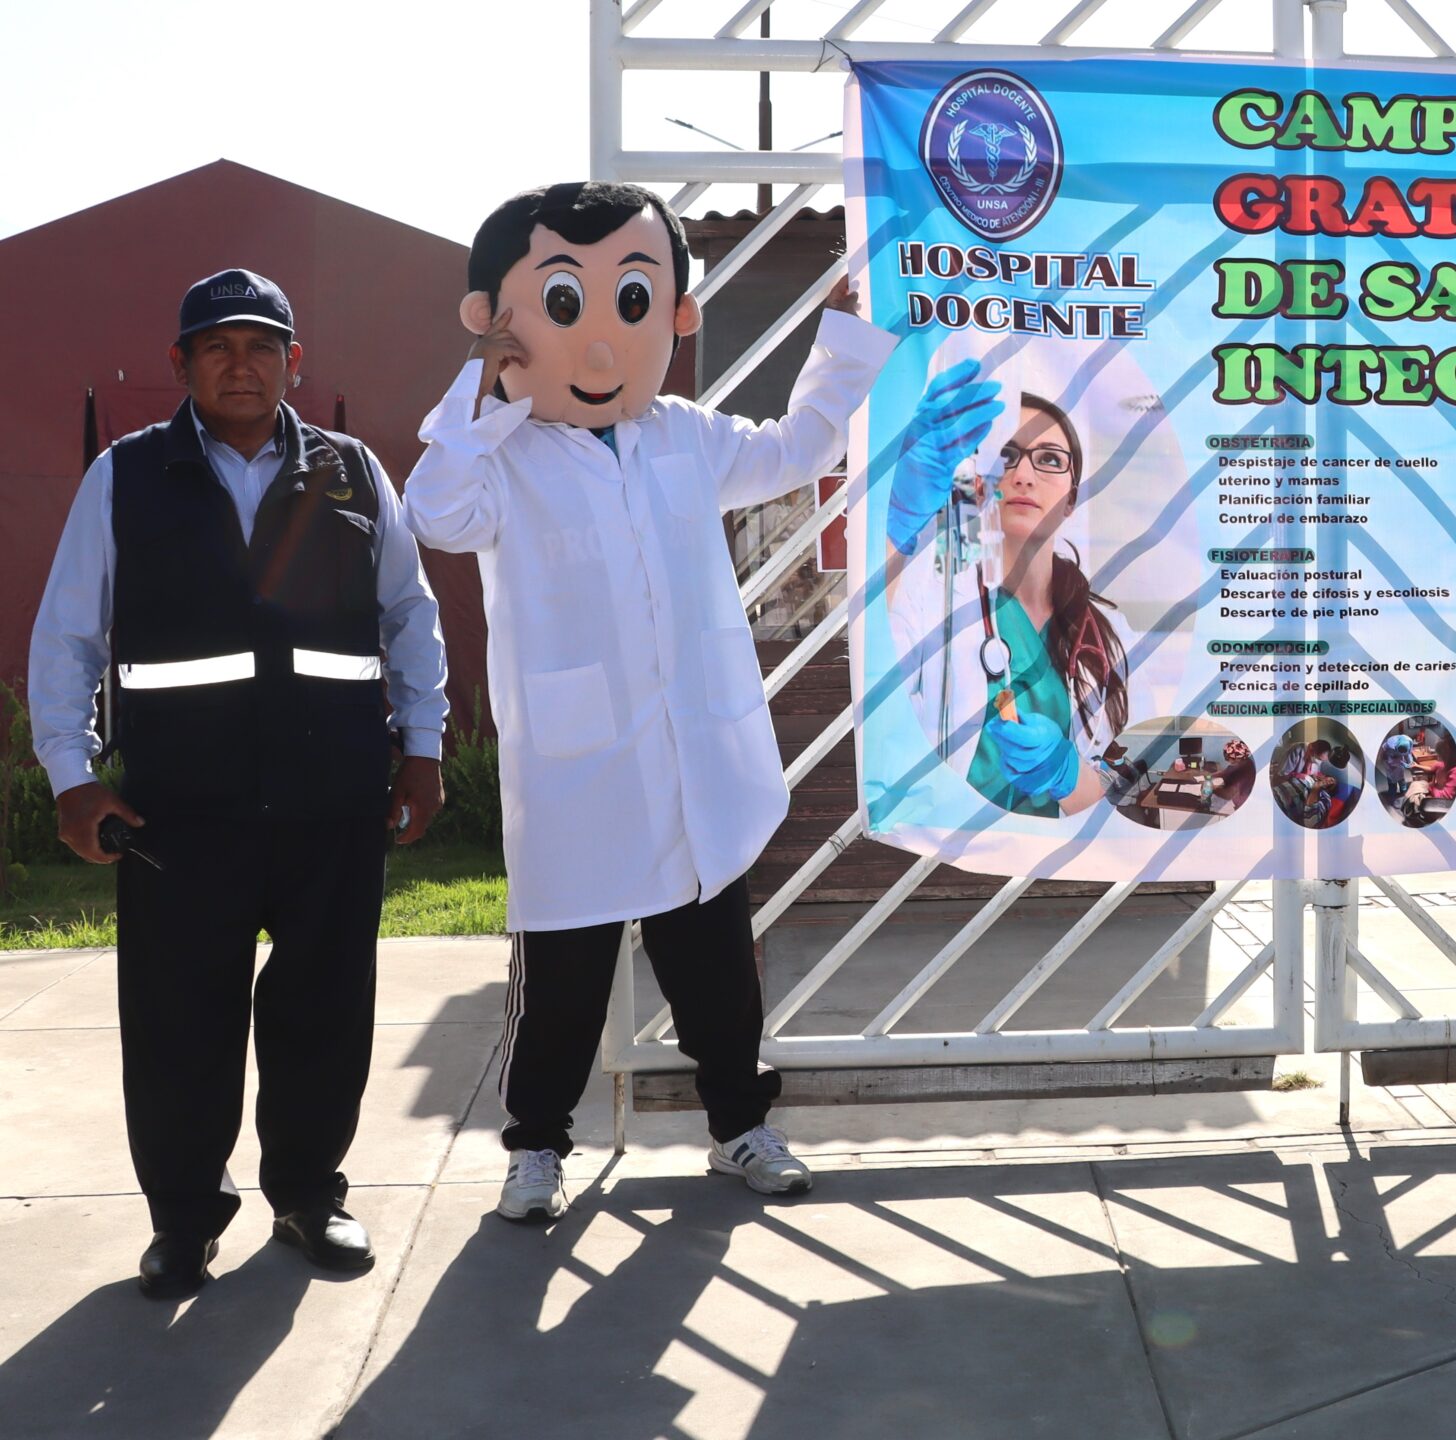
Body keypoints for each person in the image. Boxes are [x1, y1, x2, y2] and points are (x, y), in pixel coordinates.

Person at [404, 182, 892, 1222]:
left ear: (674, 312)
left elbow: (801, 448)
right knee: (563, 977)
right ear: (497, 321)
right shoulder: (504, 456)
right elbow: (436, 515)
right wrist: (479, 391)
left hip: (691, 756)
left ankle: (740, 1127)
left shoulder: (684, 436)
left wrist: (846, 335)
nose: (598, 345)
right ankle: (537, 1146)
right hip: (578, 771)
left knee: (716, 970)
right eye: (560, 306)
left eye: (632, 302)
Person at [29, 268, 449, 1297]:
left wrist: (424, 747)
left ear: (293, 363)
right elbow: (69, 633)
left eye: (262, 346)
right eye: (217, 346)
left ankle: (308, 1196)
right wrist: (72, 775)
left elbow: (410, 614)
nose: (241, 364)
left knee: (324, 1013)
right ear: (180, 364)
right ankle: (183, 1221)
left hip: (330, 799)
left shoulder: (354, 473)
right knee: (180, 1024)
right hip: (180, 810)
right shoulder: (126, 475)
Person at [885, 373, 1133, 817]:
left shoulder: (1110, 636)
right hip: (950, 845)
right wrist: (896, 527)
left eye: (1049, 459)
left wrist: (1066, 774)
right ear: (981, 485)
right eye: (1006, 456)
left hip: (1060, 855)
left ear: (1071, 498)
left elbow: (1128, 788)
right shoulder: (931, 597)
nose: (1023, 475)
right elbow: (880, 690)